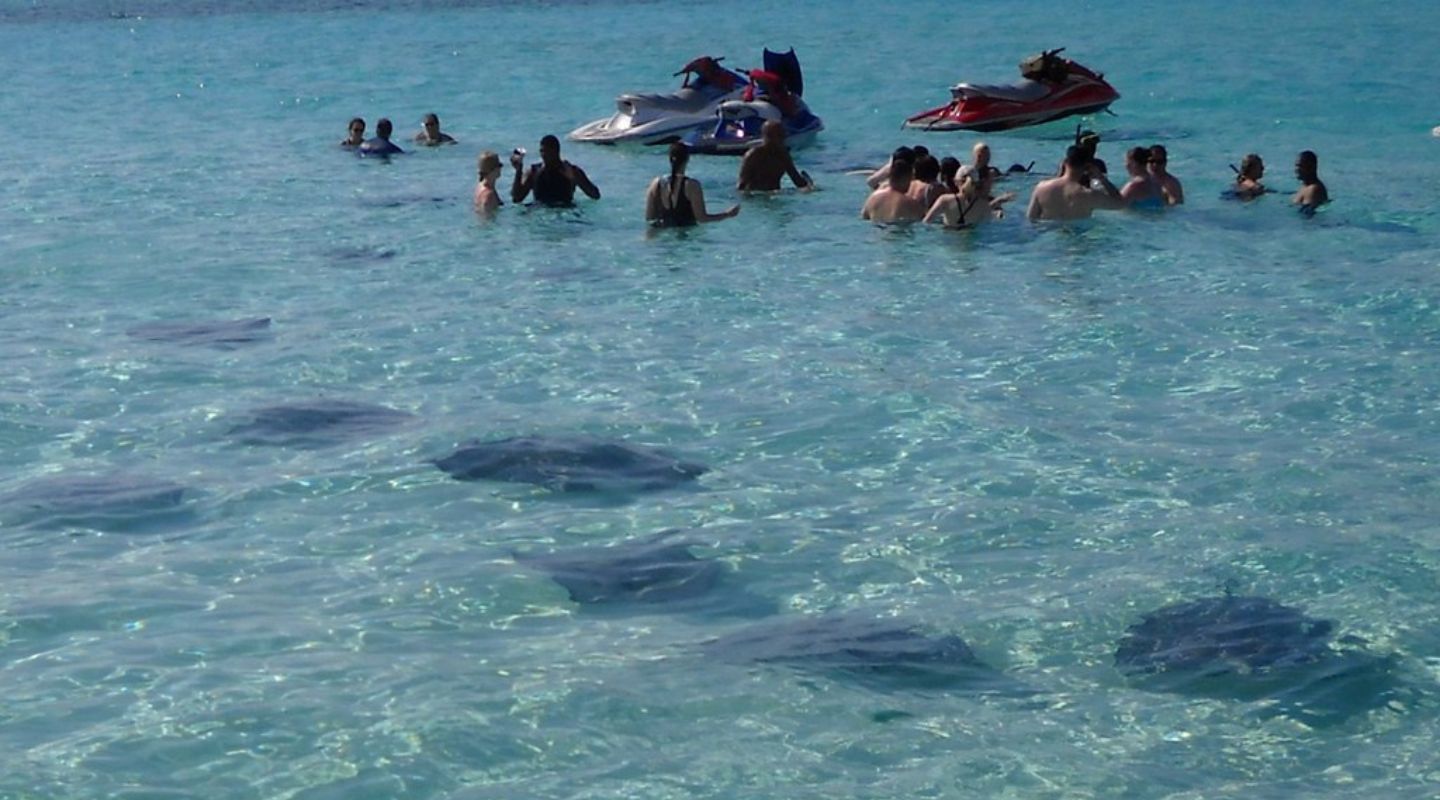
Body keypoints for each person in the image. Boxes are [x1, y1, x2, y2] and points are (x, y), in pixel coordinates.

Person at [645, 142, 740, 227]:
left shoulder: (655, 183)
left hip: (662, 242)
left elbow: (649, 218)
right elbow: (702, 219)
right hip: (686, 240)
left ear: (669, 159)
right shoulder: (691, 185)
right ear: (687, 159)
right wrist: (727, 214)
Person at [1026, 145, 1125, 221]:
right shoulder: (1088, 194)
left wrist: (1059, 174)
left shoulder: (1041, 188)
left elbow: (1031, 218)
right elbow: (1119, 204)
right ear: (1087, 167)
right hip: (1078, 239)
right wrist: (1101, 178)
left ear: (1065, 162)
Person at [510, 134, 601, 207]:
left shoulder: (571, 170)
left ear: (556, 151)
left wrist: (574, 178)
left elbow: (595, 195)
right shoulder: (534, 172)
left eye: (547, 151)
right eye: (541, 151)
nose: (543, 155)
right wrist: (518, 170)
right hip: (540, 211)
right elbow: (517, 199)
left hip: (565, 211)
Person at [737, 121, 813, 192]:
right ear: (765, 137)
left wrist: (809, 185)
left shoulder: (783, 154)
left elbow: (797, 181)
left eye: (782, 135)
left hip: (775, 194)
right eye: (778, 135)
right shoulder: (753, 155)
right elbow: (742, 185)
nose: (782, 139)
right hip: (755, 195)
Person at [860, 158, 927, 223]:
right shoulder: (910, 203)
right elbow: (924, 220)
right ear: (906, 178)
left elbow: (864, 217)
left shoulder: (873, 198)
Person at [924, 172, 991, 229]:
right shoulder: (984, 204)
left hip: (949, 239)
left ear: (956, 182)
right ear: (977, 184)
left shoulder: (945, 200)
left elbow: (926, 221)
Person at [1292, 150, 1329, 214]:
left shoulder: (1314, 190)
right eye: (1296, 166)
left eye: (1300, 166)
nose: (1296, 169)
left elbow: (1308, 216)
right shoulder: (1305, 186)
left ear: (1311, 167)